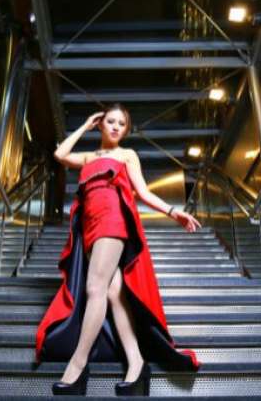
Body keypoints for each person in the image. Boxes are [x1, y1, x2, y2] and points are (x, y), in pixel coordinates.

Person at [35, 103, 202, 396]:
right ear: (100, 124)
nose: (115, 127)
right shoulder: (89, 157)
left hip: (112, 221)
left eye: (121, 124)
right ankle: (137, 364)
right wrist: (84, 126)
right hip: (89, 226)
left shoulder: (127, 154)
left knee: (95, 288)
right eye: (110, 121)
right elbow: (60, 154)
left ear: (125, 130)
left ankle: (77, 366)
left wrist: (172, 211)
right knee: (113, 293)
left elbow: (143, 191)